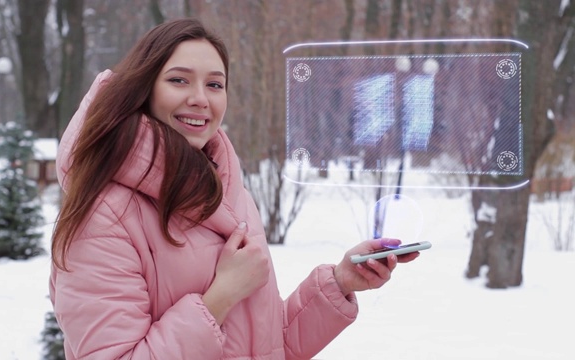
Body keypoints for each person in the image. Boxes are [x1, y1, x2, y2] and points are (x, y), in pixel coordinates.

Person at [49, 17, 420, 360]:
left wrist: (340, 282)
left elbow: (267, 345)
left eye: (215, 84)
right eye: (179, 80)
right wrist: (221, 297)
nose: (200, 98)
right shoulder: (103, 218)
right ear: (142, 90)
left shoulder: (227, 194)